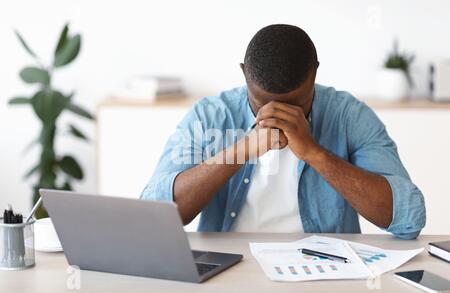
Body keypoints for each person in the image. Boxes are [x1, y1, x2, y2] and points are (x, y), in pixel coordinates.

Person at [140, 24, 426, 239]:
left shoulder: (349, 116)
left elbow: (408, 219)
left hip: (325, 270)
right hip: (228, 268)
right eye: (262, 103)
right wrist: (242, 151)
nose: (277, 115)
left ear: (315, 73)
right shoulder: (208, 116)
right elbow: (153, 216)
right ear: (244, 74)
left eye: (295, 105)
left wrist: (313, 152)